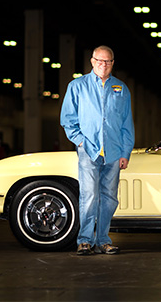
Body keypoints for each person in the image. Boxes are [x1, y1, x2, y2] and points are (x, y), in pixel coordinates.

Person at [60, 45, 135, 255]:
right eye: (100, 61)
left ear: (112, 63)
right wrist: (80, 141)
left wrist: (125, 152)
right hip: (89, 151)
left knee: (109, 198)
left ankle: (103, 240)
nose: (103, 65)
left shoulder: (121, 89)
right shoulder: (77, 86)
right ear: (92, 62)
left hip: (113, 151)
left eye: (108, 61)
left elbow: (126, 124)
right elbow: (67, 120)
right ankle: (84, 240)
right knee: (89, 196)